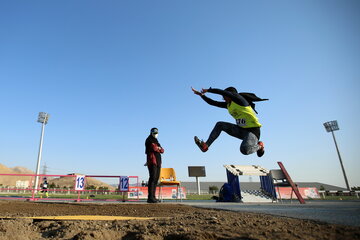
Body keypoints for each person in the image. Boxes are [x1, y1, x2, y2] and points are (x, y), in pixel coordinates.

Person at [191, 86, 268, 157]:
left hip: (253, 132)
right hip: (241, 130)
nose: (223, 99)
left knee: (244, 149)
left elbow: (222, 92)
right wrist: (201, 95)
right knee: (220, 124)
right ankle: (206, 146)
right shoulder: (228, 105)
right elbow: (213, 103)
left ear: (231, 95)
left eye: (224, 97)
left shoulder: (240, 100)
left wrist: (208, 90)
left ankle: (260, 146)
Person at [145, 128, 164, 203]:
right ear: (151, 133)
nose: (156, 134)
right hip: (152, 161)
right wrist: (158, 148)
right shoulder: (149, 139)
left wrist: (159, 148)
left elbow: (162, 150)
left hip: (158, 161)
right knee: (152, 178)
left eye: (156, 133)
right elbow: (154, 148)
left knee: (156, 179)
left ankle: (153, 196)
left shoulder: (156, 141)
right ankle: (150, 197)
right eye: (154, 133)